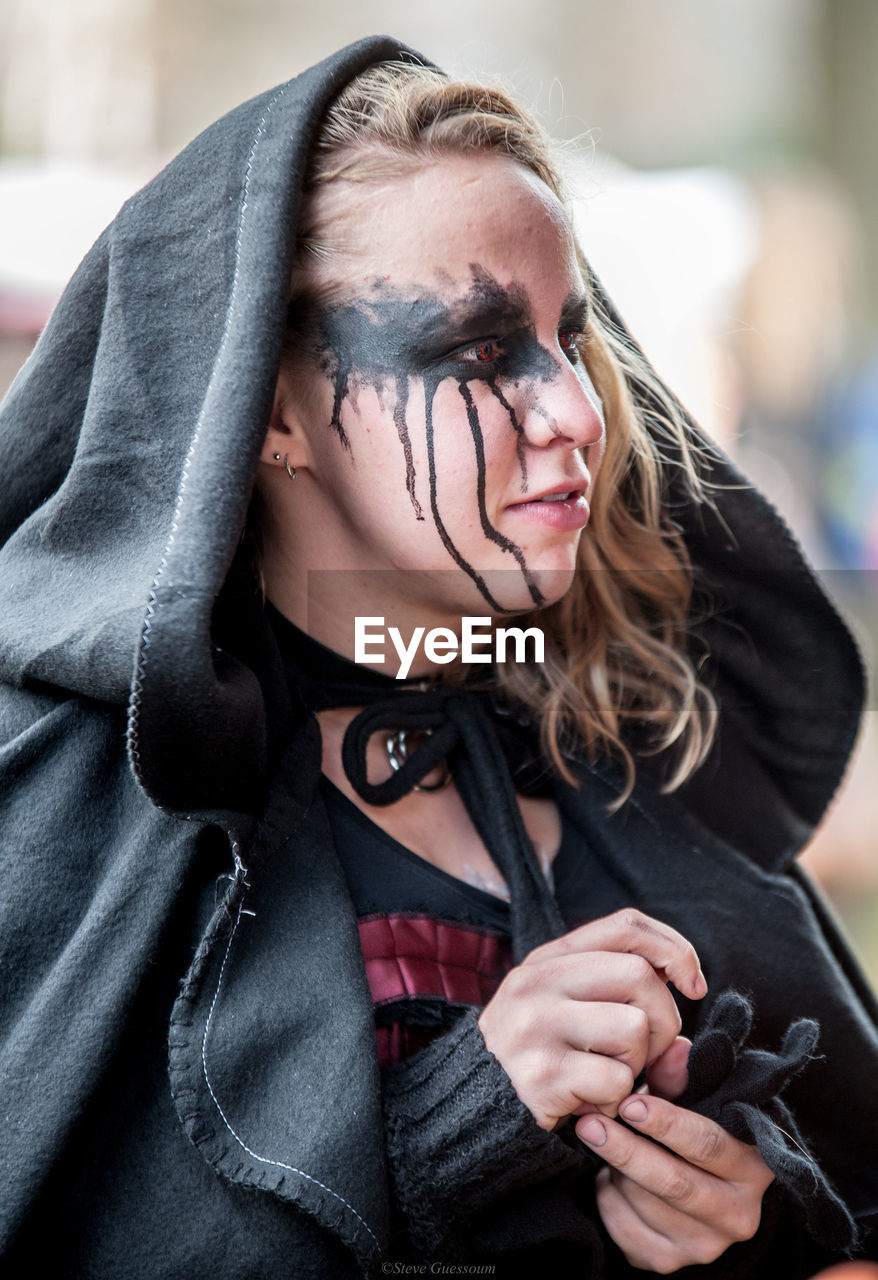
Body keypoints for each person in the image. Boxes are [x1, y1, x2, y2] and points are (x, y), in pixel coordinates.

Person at [0, 34, 876, 1280]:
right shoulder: (82, 798)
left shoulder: (623, 765)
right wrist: (450, 1129)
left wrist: (751, 1213)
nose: (575, 407)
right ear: (275, 411)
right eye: (474, 350)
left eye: (567, 339)